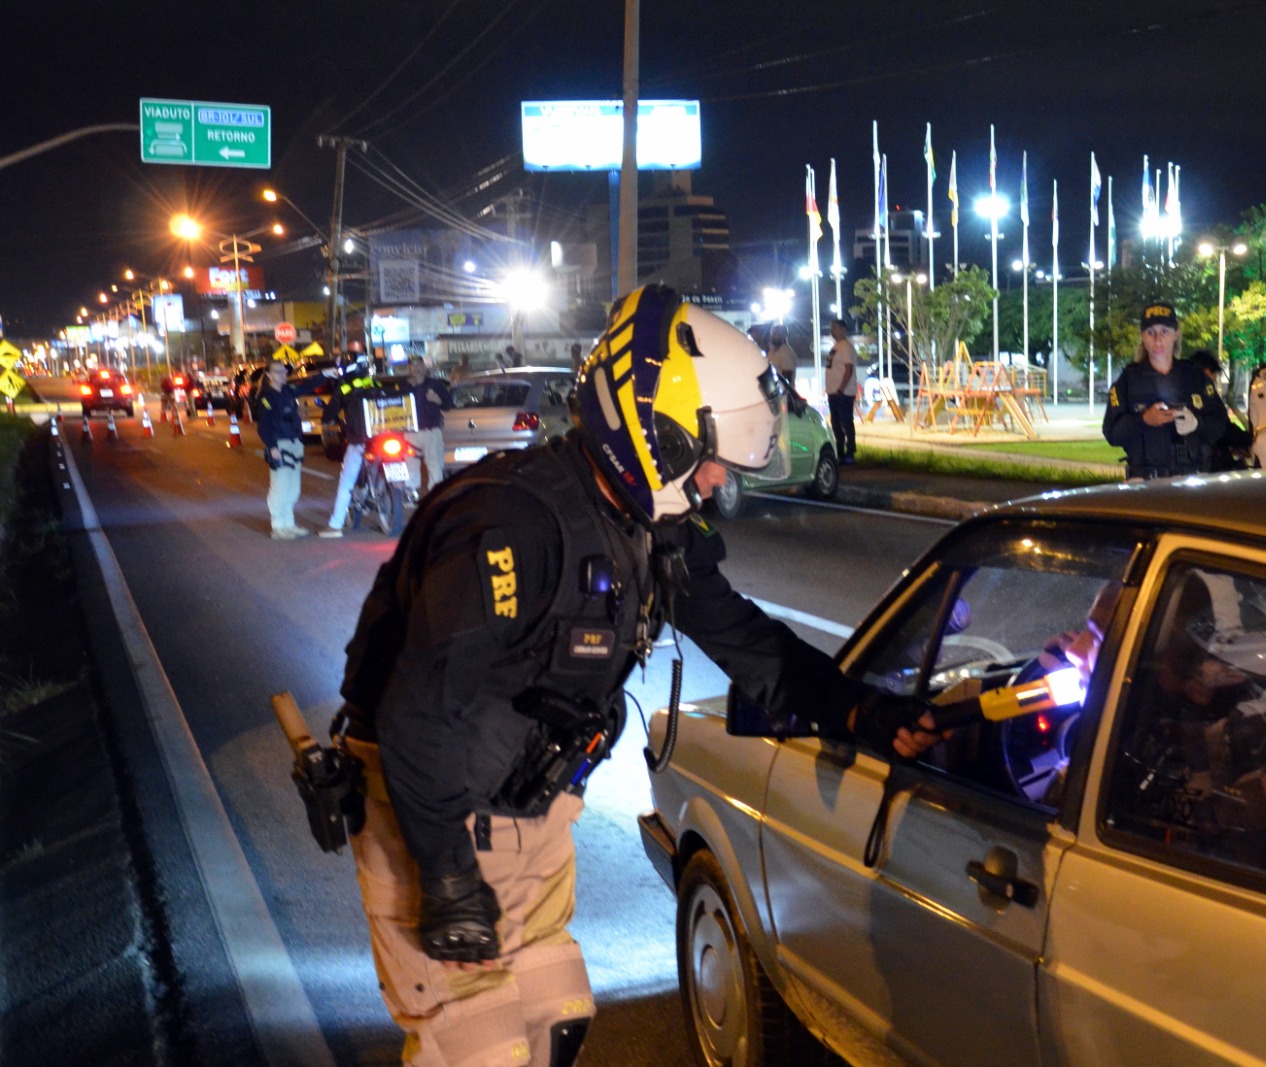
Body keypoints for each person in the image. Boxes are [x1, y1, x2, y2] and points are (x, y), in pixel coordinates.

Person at [325, 285, 939, 1067]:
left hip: (529, 800)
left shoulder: (648, 528)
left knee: (553, 1018)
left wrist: (861, 711)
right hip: (431, 806)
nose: (715, 480)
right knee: (476, 1045)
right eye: (710, 459)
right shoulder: (512, 527)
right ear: (658, 434)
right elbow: (419, 716)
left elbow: (747, 641)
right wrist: (445, 876)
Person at [1102, 302, 1228, 480]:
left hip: (1190, 481)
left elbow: (1221, 423)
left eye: (1164, 331)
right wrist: (1143, 420)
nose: (1158, 339)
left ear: (1176, 334)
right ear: (1142, 336)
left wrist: (1196, 424)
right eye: (1150, 332)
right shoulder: (1128, 380)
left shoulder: (1195, 377)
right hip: (1144, 482)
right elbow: (1111, 433)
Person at [253, 359, 323, 539]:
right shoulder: (266, 397)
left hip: (294, 442)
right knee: (280, 486)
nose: (283, 374)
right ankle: (278, 527)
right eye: (278, 371)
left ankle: (289, 524)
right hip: (280, 444)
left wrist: (325, 375)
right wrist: (272, 447)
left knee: (293, 488)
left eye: (284, 371)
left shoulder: (287, 391)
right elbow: (264, 425)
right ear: (269, 375)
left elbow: (306, 386)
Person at [319, 353, 384, 537]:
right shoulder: (374, 384)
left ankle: (335, 524)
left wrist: (327, 417)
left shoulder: (346, 386)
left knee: (346, 482)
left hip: (360, 440)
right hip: (382, 437)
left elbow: (331, 411)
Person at [1186, 349, 1253, 472]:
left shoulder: (1185, 394)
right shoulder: (1204, 397)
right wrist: (1249, 440)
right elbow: (1223, 429)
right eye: (1214, 375)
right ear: (1205, 371)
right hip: (1212, 468)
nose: (1215, 381)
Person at [404, 357, 453, 494]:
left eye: (419, 365)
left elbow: (448, 405)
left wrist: (437, 400)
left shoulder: (435, 385)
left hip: (431, 432)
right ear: (409, 369)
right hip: (411, 434)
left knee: (435, 464)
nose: (417, 369)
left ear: (424, 367)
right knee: (410, 465)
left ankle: (436, 496)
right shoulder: (405, 386)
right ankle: (411, 496)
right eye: (413, 366)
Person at [824, 318, 858, 464]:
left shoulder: (846, 347)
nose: (832, 331)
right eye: (831, 328)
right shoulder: (836, 347)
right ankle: (840, 451)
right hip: (833, 392)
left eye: (835, 328)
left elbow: (849, 369)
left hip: (843, 393)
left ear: (843, 329)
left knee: (846, 422)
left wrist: (841, 388)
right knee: (836, 423)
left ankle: (850, 452)